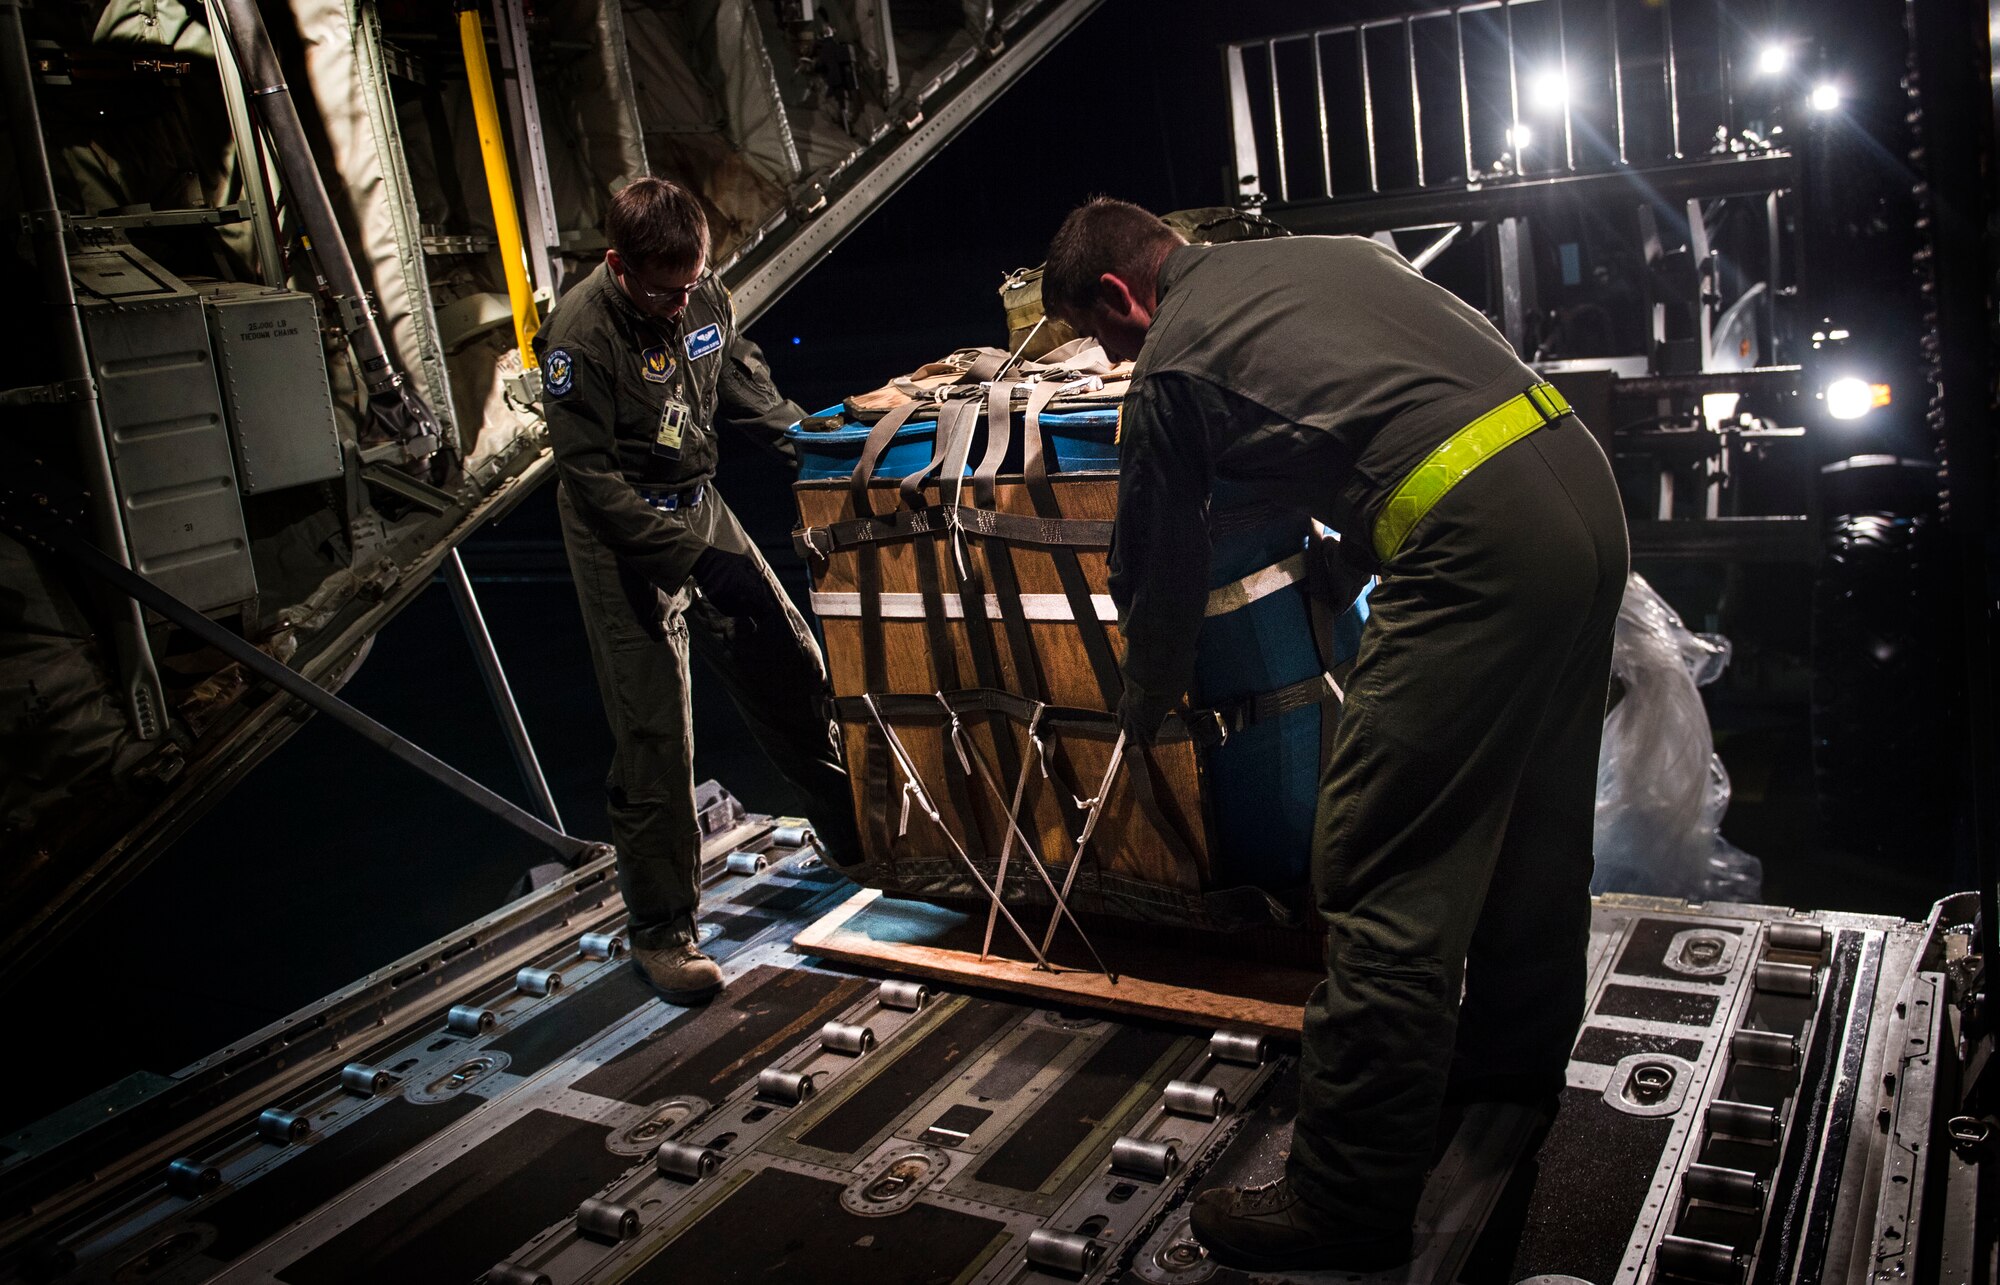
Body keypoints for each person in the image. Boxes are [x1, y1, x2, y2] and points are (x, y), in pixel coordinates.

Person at [1040, 198, 1627, 1271]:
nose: (1115, 357)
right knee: (1530, 825)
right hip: (1581, 497)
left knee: (1377, 860)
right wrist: (1343, 566)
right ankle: (1507, 1067)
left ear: (1121, 296)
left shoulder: (1170, 365)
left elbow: (1158, 566)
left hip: (1475, 552)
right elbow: (1411, 419)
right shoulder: (1327, 253)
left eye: (1102, 337)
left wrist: (1143, 698)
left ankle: (1344, 1200)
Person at [533, 177, 862, 1004]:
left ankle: (853, 835)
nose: (684, 303)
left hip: (697, 499)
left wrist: (831, 457)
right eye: (665, 290)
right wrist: (691, 563)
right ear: (619, 266)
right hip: (622, 531)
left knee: (790, 662)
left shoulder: (701, 292)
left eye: (694, 283)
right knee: (655, 734)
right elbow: (593, 482)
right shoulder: (581, 338)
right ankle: (662, 930)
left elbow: (747, 390)